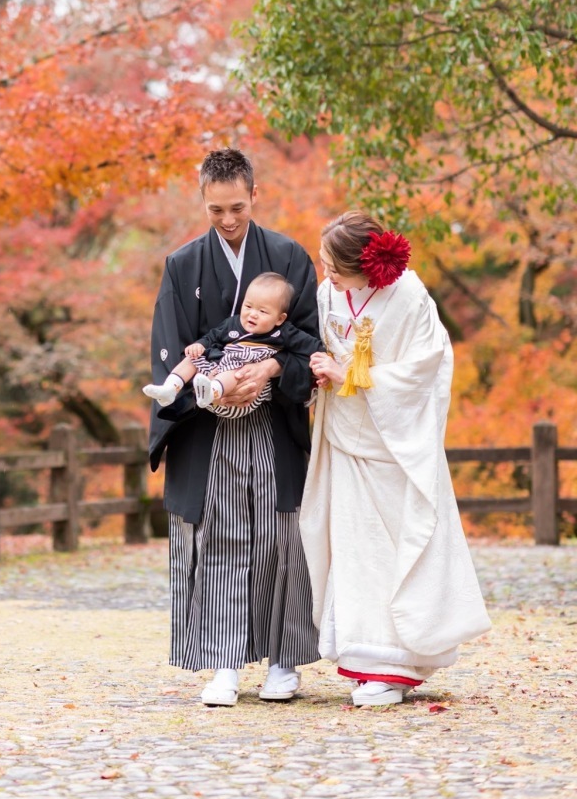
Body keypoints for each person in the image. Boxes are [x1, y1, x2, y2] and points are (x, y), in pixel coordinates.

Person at [148, 148, 324, 707]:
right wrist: (214, 389)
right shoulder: (182, 265)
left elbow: (312, 345)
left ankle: (285, 662)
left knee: (281, 538)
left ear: (256, 196)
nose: (227, 220)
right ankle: (222, 663)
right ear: (202, 199)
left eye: (238, 208)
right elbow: (173, 346)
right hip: (209, 424)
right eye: (216, 208)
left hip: (273, 423)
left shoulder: (290, 258)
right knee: (220, 537)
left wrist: (268, 371)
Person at [299, 211, 491, 707]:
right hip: (345, 436)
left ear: (365, 263)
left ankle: (395, 665)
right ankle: (367, 661)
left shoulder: (408, 296)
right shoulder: (326, 294)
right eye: (323, 264)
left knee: (392, 553)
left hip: (392, 447)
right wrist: (323, 372)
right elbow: (323, 349)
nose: (327, 274)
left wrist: (355, 376)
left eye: (333, 266)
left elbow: (427, 366)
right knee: (354, 552)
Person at [143, 272, 318, 420]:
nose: (252, 314)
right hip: (213, 377)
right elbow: (213, 336)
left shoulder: (284, 332)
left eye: (262, 311)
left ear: (280, 319)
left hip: (242, 394)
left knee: (235, 371)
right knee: (192, 359)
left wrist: (326, 359)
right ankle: (170, 388)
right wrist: (199, 345)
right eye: (248, 306)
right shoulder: (233, 324)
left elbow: (313, 346)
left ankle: (212, 391)